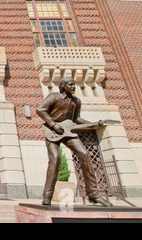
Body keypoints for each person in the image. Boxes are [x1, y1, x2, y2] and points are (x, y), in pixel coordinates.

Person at [36, 77, 111, 207]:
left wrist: (93, 124)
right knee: (55, 159)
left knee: (84, 154)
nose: (73, 87)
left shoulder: (76, 101)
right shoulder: (54, 96)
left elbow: (76, 118)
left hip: (68, 132)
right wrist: (53, 125)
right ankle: (47, 196)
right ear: (63, 86)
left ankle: (93, 194)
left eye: (74, 85)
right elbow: (40, 110)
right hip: (52, 132)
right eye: (70, 85)